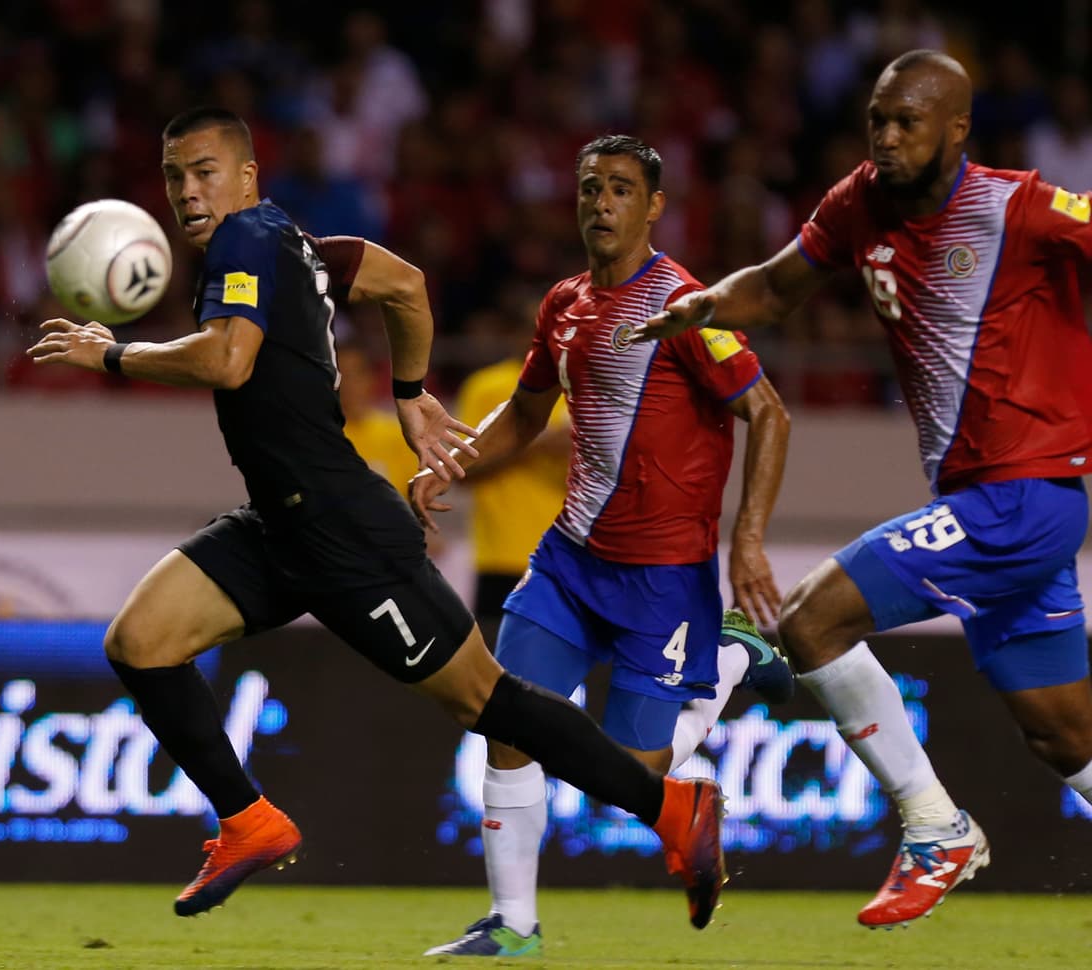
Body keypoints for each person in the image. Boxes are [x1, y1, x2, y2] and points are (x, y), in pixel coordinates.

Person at [26, 106, 726, 928]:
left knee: (484, 703)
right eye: (174, 175)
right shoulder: (296, 243)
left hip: (343, 528)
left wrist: (109, 351)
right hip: (278, 526)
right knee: (140, 642)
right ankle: (249, 822)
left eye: (204, 170)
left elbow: (227, 357)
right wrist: (409, 392)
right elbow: (405, 285)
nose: (186, 190)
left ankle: (671, 810)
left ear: (248, 177)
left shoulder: (246, 240)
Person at [636, 49, 1092, 928]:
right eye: (877, 118)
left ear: (956, 129)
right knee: (1063, 736)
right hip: (986, 499)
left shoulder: (1019, 206)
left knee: (809, 620)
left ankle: (936, 829)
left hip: (1022, 497)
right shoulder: (858, 203)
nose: (884, 136)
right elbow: (775, 288)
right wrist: (701, 306)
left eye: (906, 122)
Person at [412, 135, 793, 957]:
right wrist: (450, 464)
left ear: (654, 206)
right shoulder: (564, 305)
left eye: (621, 189)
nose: (602, 203)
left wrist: (749, 544)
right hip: (569, 561)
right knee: (505, 720)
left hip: (664, 580)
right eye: (590, 188)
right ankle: (512, 925)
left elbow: (770, 414)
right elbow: (522, 415)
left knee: (633, 774)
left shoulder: (689, 307)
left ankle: (729, 660)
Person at [455, 302, 569, 624]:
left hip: (569, 558)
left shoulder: (581, 388)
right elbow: (462, 470)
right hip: (502, 557)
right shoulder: (488, 386)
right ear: (518, 335)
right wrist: (536, 445)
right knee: (495, 666)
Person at [336, 340, 416, 497]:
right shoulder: (320, 436)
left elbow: (414, 493)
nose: (349, 384)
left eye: (356, 374)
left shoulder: (398, 433)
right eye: (341, 375)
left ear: (371, 378)